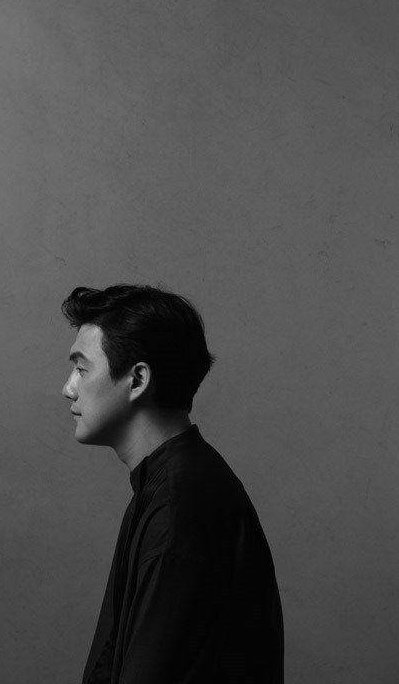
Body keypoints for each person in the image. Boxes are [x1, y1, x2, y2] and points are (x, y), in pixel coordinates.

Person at [60, 284, 284, 684]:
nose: (68, 389)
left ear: (137, 379)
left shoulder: (180, 506)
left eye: (81, 369)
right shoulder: (171, 484)